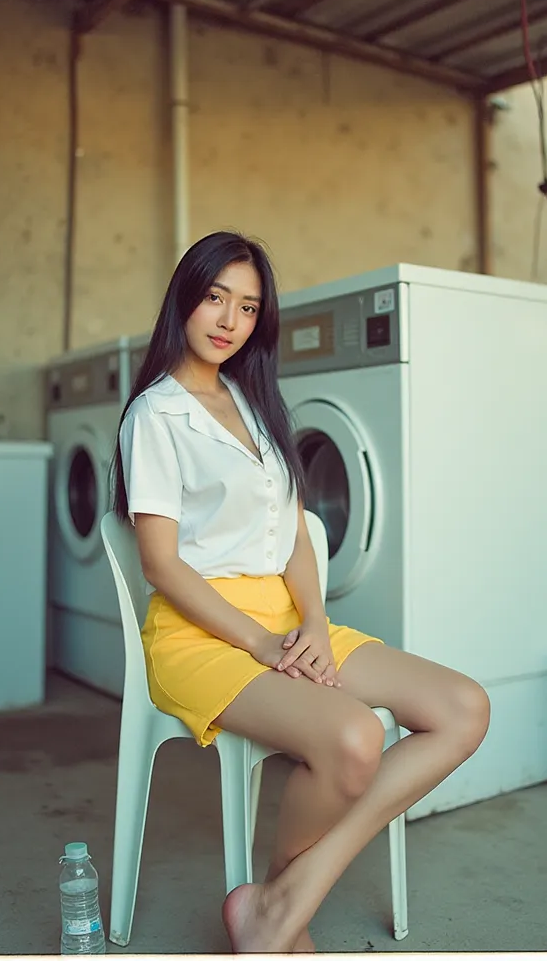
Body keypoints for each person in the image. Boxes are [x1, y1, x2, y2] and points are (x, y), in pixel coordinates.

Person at [113, 230, 490, 953]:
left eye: (248, 308)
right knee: (356, 735)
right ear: (184, 299)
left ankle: (282, 899)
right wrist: (260, 642)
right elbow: (161, 565)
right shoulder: (155, 415)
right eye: (216, 298)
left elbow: (292, 535)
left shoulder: (255, 404)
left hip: (288, 619)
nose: (228, 321)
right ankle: (282, 909)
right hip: (202, 635)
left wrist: (314, 623)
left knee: (463, 709)